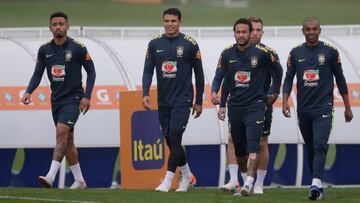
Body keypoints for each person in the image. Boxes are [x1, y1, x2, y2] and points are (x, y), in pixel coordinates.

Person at [21, 12, 96, 189]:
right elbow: (37, 73)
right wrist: (28, 91)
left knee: (61, 132)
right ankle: (80, 181)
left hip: (74, 99)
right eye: (54, 24)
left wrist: (87, 96)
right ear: (50, 28)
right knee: (68, 142)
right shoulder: (44, 50)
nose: (58, 27)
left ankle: (50, 176)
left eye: (61, 24)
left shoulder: (78, 48)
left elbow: (91, 72)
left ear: (67, 26)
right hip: (56, 101)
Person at [283, 17, 353, 200]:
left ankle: (315, 184)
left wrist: (347, 106)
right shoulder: (295, 53)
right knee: (311, 148)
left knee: (320, 144)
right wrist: (284, 101)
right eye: (308, 29)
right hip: (303, 109)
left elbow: (341, 79)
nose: (311, 32)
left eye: (315, 29)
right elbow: (289, 78)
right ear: (303, 31)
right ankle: (318, 187)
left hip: (324, 107)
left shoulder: (330, 52)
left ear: (319, 30)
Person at [212, 17, 282, 195]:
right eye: (238, 32)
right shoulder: (228, 54)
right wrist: (218, 97)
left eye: (246, 31)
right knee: (237, 144)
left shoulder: (265, 52)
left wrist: (274, 93)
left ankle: (255, 183)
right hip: (236, 106)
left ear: (253, 33)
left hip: (259, 105)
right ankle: (241, 181)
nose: (242, 35)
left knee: (258, 142)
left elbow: (278, 71)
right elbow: (222, 77)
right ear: (234, 33)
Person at [142, 8, 204, 192]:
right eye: (166, 21)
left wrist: (198, 100)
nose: (169, 24)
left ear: (180, 22)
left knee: (176, 137)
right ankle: (187, 176)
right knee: (171, 141)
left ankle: (168, 180)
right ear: (163, 22)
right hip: (164, 102)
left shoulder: (190, 44)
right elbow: (147, 70)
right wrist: (145, 93)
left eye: (173, 21)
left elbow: (199, 75)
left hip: (183, 100)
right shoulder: (154, 44)